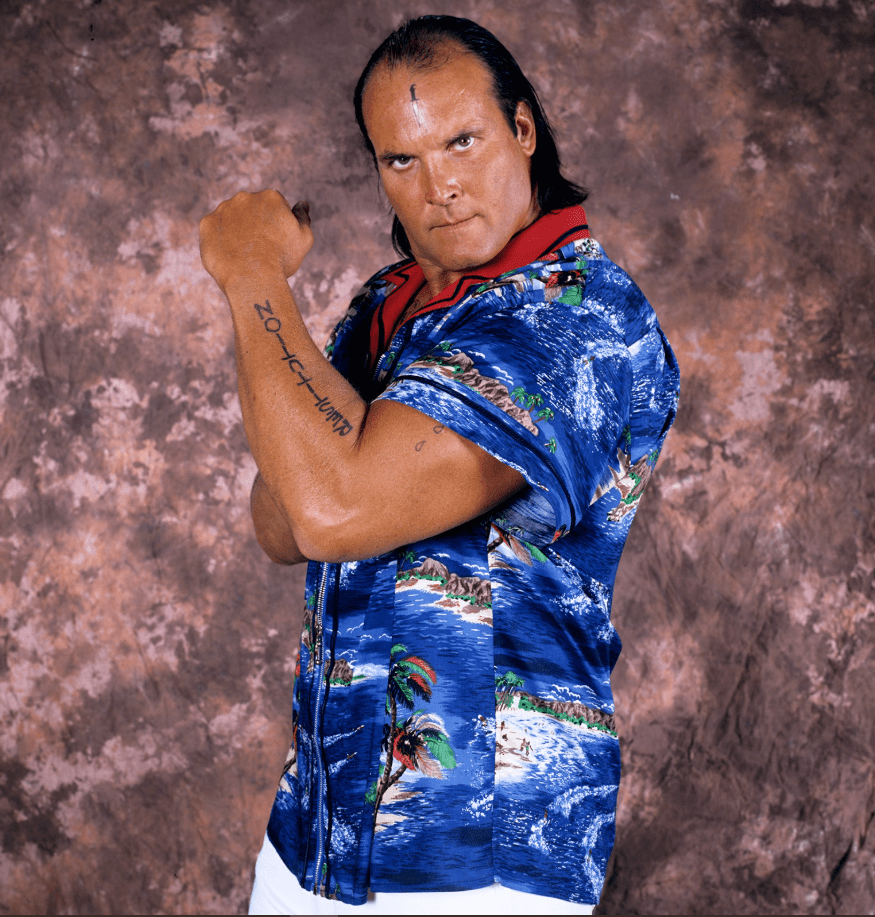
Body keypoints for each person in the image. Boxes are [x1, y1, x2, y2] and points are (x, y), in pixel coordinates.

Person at [199, 15, 678, 915]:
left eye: (462, 140)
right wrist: (325, 470)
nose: (440, 186)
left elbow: (330, 510)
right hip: (323, 823)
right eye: (401, 159)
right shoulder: (388, 301)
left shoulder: (573, 318)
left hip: (480, 843)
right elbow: (281, 518)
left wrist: (253, 275)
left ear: (521, 129)